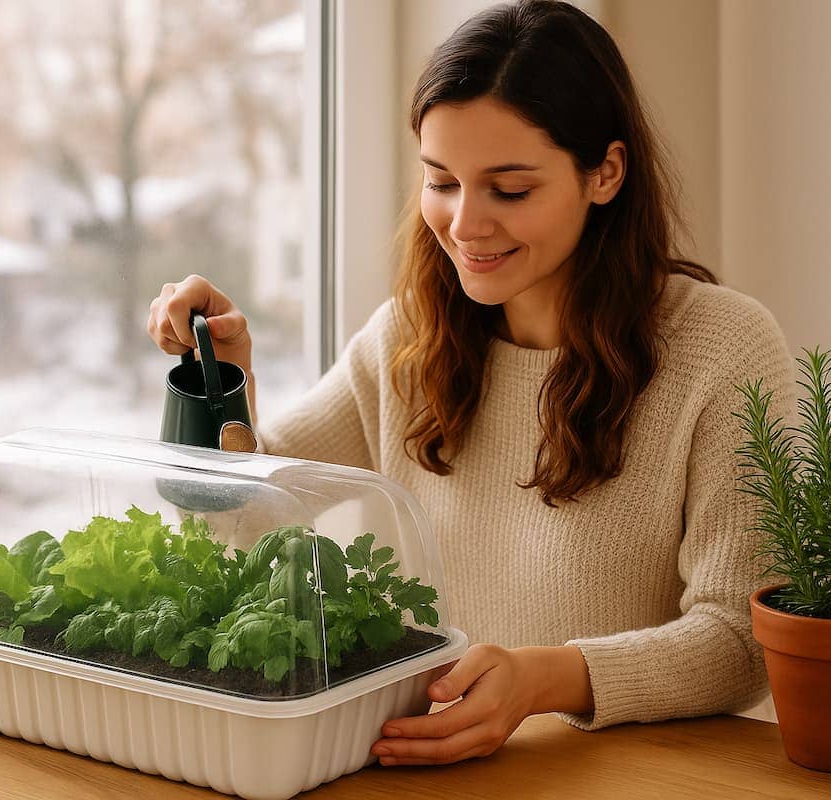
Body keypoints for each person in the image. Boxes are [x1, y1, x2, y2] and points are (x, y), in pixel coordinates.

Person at [146, 0, 794, 769]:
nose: (463, 224)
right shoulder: (408, 339)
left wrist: (545, 679)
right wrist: (226, 379)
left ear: (606, 173)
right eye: (442, 181)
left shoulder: (723, 350)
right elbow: (242, 528)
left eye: (509, 190)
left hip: (626, 782)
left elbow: (741, 640)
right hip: (421, 773)